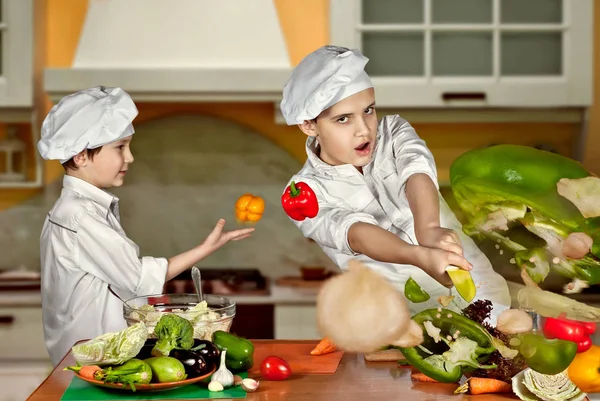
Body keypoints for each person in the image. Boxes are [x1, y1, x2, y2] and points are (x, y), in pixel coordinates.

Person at [279, 46, 511, 318]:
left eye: (368, 110)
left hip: (486, 299)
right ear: (309, 125)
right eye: (343, 119)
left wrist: (429, 229)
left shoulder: (394, 132)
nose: (364, 129)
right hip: (398, 324)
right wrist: (420, 256)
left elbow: (417, 173)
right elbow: (357, 233)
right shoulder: (304, 194)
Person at [37, 86, 254, 366]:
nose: (129, 157)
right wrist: (206, 248)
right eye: (120, 147)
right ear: (80, 156)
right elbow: (138, 279)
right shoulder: (79, 215)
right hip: (92, 366)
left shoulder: (78, 209)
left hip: (93, 361)